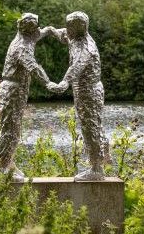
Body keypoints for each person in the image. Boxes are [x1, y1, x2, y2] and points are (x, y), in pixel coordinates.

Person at [48, 11, 109, 181]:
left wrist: (64, 83)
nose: (67, 29)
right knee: (89, 126)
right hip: (81, 91)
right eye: (67, 26)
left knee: (91, 128)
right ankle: (100, 159)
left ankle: (97, 169)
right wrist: (49, 30)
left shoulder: (86, 47)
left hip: (90, 92)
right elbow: (62, 34)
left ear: (80, 27)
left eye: (70, 26)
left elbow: (77, 66)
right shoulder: (74, 37)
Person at [0, 12, 56, 181]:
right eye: (34, 27)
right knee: (9, 129)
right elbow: (33, 67)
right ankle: (3, 167)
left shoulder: (27, 37)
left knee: (15, 128)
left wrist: (52, 30)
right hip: (12, 90)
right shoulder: (21, 46)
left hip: (19, 89)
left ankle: (9, 163)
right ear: (26, 28)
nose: (37, 30)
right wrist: (48, 83)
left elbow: (41, 33)